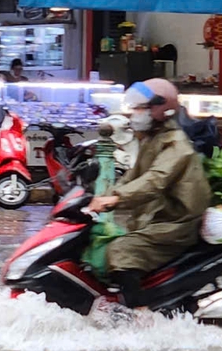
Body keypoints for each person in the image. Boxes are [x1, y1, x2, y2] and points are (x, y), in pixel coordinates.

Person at [87, 79, 213, 312]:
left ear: (159, 110)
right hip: (155, 219)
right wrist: (99, 197)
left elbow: (155, 179)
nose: (134, 115)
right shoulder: (151, 140)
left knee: (121, 251)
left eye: (139, 109)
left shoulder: (177, 145)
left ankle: (141, 316)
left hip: (175, 224)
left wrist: (116, 199)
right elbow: (132, 177)